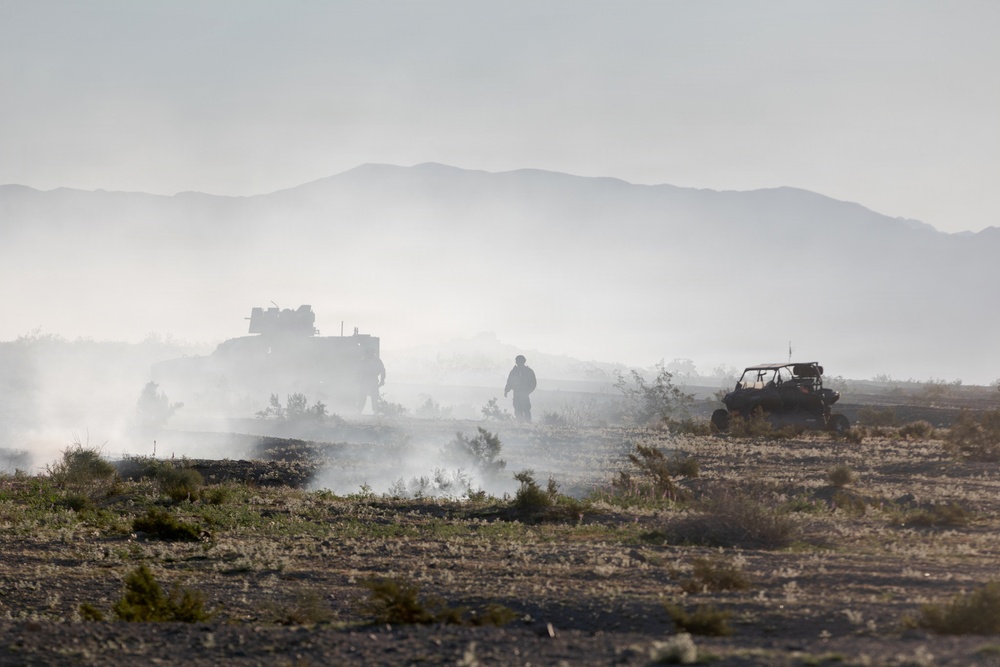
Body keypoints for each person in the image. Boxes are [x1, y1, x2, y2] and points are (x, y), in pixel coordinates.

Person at [504, 355, 537, 422]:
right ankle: (520, 423)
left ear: (523, 361)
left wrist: (527, 392)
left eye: (518, 360)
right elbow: (510, 382)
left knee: (526, 409)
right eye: (516, 360)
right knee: (517, 409)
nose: (517, 362)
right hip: (517, 393)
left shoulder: (528, 371)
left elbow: (533, 383)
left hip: (524, 394)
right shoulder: (514, 371)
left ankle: (527, 423)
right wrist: (506, 391)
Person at [357, 349, 386, 414]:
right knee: (362, 395)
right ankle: (360, 410)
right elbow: (358, 371)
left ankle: (375, 410)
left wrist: (382, 380)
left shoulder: (377, 361)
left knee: (374, 396)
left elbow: (382, 370)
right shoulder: (364, 361)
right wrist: (357, 379)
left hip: (372, 379)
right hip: (365, 380)